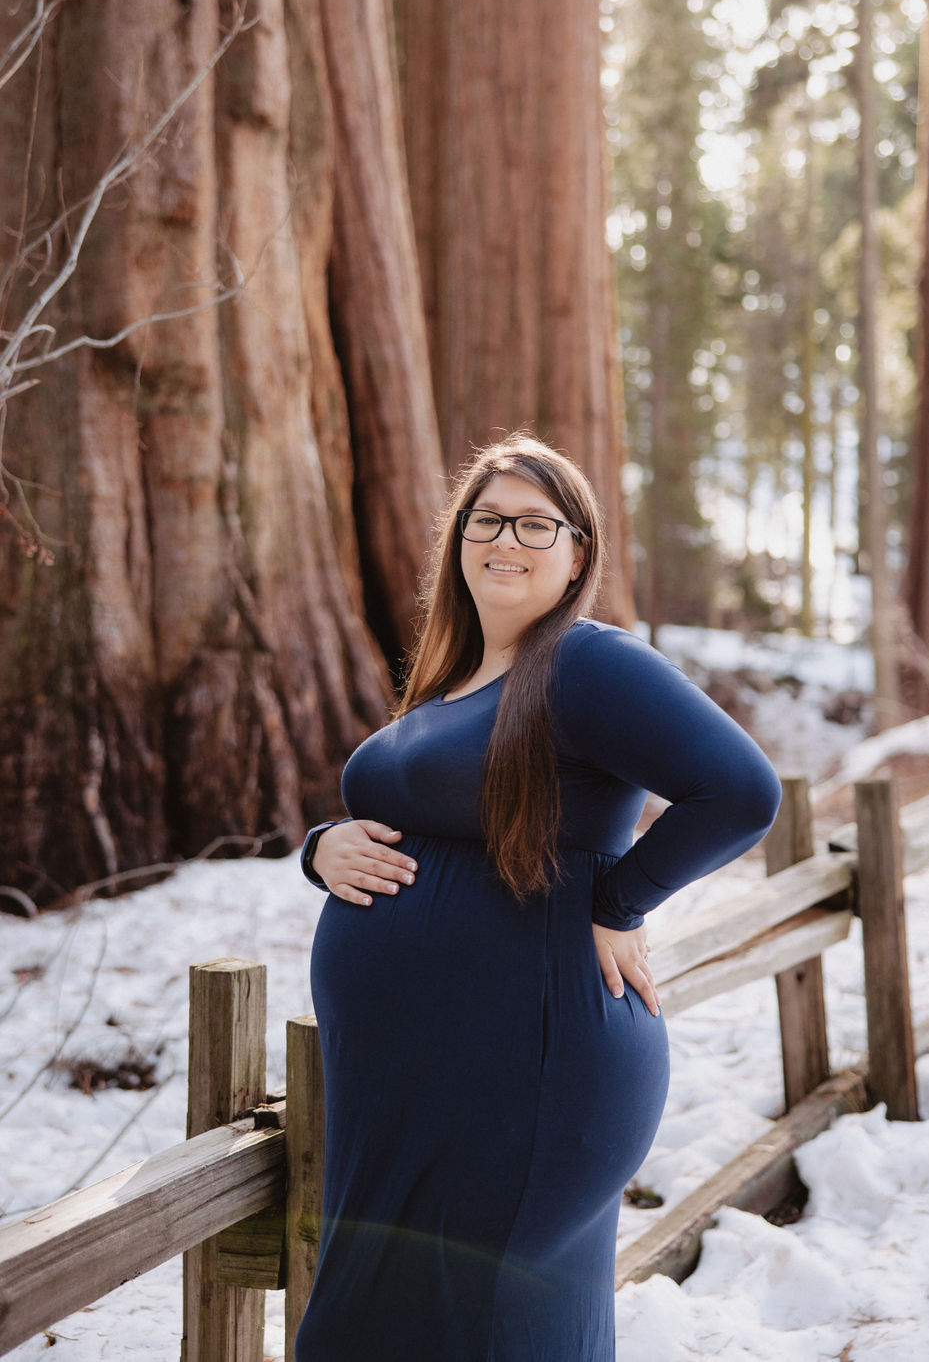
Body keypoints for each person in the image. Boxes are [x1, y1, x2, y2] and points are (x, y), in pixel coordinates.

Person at [295, 432, 781, 1362]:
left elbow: (741, 791)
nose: (505, 538)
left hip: (527, 1067)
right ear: (458, 541)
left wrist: (621, 901)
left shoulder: (587, 662)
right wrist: (323, 852)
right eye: (487, 519)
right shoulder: (452, 683)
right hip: (411, 1084)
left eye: (534, 522)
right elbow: (417, 815)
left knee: (482, 1328)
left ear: (577, 554)